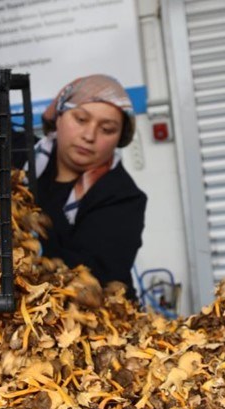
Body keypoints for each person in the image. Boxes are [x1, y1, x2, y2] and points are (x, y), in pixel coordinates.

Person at [30, 74, 147, 300]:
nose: (89, 135)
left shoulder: (122, 196)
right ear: (59, 117)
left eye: (107, 129)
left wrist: (27, 246)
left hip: (91, 319)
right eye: (81, 119)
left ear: (119, 138)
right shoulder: (19, 160)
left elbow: (95, 275)